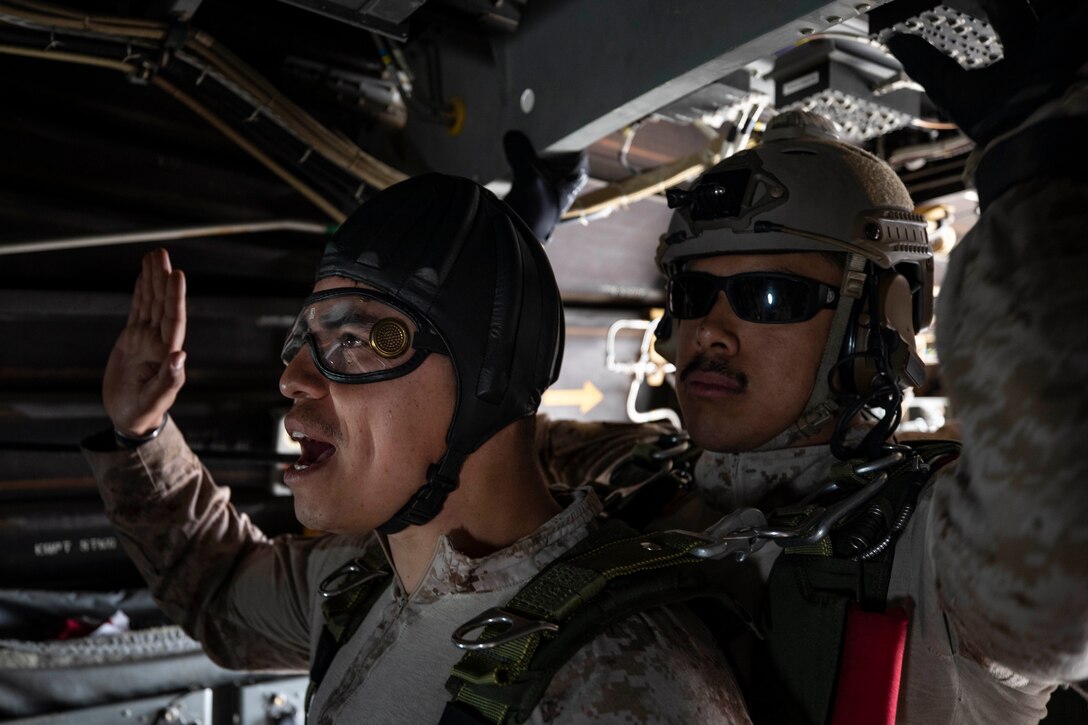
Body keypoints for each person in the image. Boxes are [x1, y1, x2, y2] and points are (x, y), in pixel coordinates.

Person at [538, 12, 1088, 724]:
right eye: (694, 291)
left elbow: (1064, 571)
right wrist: (500, 273)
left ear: (877, 320)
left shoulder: (935, 556)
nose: (711, 329)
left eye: (770, 296)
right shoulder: (635, 481)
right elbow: (495, 448)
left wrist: (1042, 179)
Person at [82, 173, 750, 724]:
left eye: (357, 338)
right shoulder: (364, 585)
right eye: (306, 338)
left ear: (483, 377)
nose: (293, 377)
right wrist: (140, 432)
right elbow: (221, 593)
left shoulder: (630, 680)